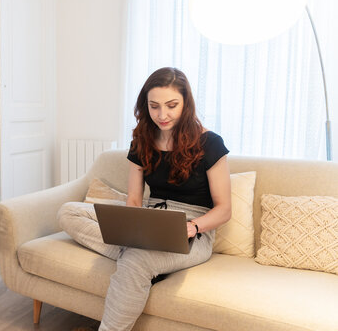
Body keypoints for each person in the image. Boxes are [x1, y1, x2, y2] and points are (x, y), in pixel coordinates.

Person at [58, 67, 232, 331]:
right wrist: (130, 228)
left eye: (171, 105)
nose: (162, 115)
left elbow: (224, 210)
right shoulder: (142, 140)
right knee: (69, 212)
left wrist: (193, 227)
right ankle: (138, 256)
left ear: (186, 104)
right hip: (149, 219)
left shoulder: (210, 143)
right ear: (146, 105)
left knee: (136, 260)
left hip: (193, 229)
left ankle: (137, 265)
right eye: (154, 106)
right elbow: (135, 199)